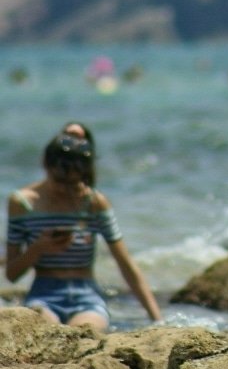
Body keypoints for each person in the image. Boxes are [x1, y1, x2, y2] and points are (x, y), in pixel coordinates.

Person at [6, 127, 163, 331]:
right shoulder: (22, 204)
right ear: (46, 165)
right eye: (60, 181)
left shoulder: (94, 203)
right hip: (43, 295)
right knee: (48, 333)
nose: (66, 189)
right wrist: (38, 248)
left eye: (74, 182)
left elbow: (126, 264)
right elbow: (12, 274)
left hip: (87, 295)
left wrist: (157, 320)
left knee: (85, 334)